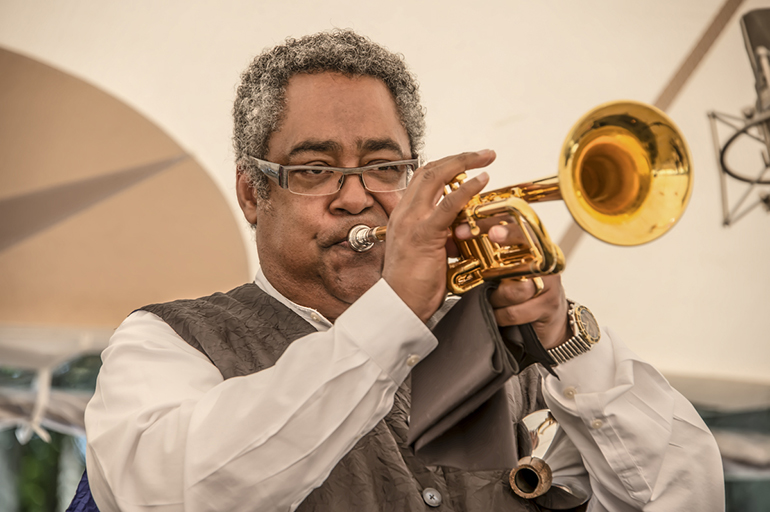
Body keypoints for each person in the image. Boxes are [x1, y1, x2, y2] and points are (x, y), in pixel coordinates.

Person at [82, 30, 724, 511]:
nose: (356, 197)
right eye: (314, 169)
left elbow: (687, 495)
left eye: (384, 167)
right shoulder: (164, 342)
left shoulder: (507, 349)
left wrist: (569, 343)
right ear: (253, 194)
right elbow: (173, 492)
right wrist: (395, 315)